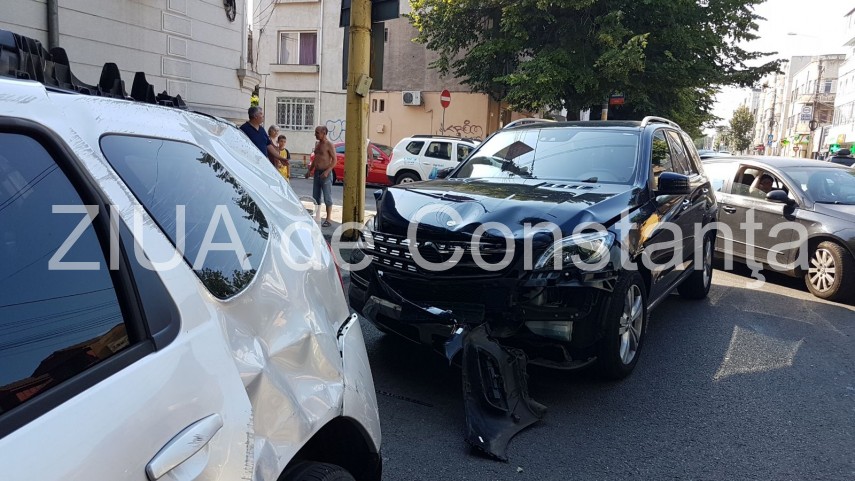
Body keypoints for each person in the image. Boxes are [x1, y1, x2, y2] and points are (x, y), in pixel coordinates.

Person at [305, 125, 336, 227]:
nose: (315, 134)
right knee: (316, 197)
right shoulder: (318, 144)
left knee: (327, 197)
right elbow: (315, 159)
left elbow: (334, 160)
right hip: (317, 173)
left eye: (317, 133)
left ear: (324, 133)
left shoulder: (329, 144)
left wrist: (327, 171)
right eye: (315, 132)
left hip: (325, 174)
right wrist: (310, 170)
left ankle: (328, 218)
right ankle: (317, 217)